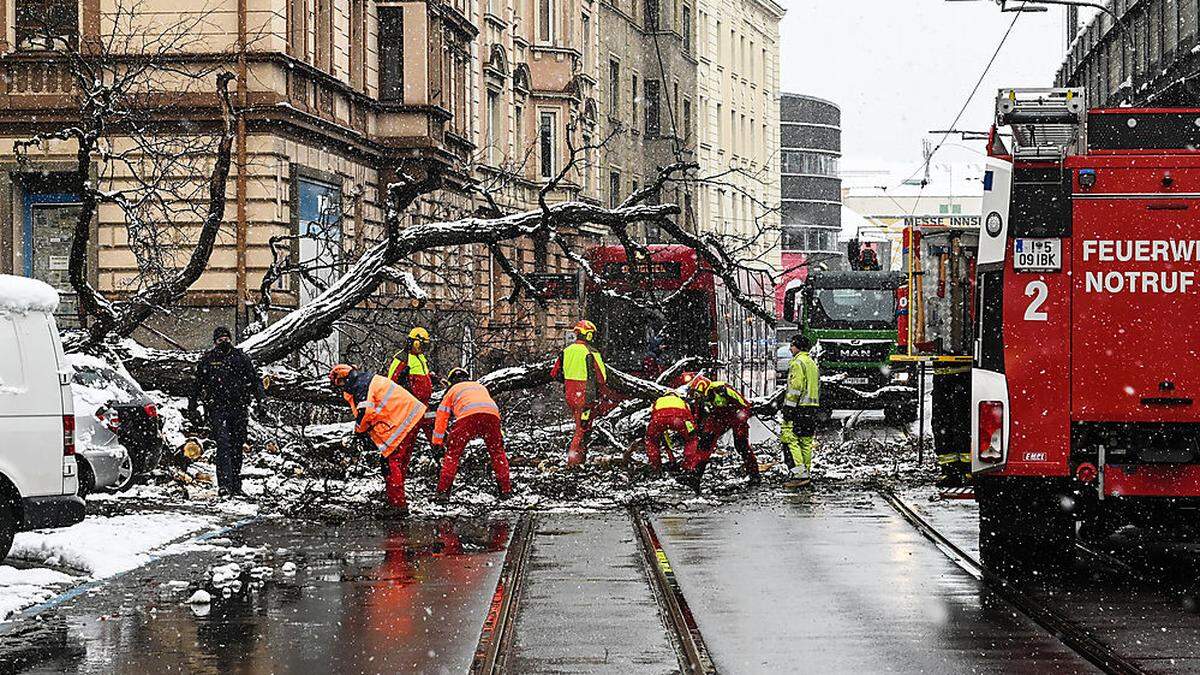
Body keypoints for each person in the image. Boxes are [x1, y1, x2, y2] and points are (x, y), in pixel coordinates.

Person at [330, 363, 426, 516]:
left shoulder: (360, 386)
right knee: (399, 463)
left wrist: (359, 431)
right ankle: (396, 498)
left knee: (390, 462)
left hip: (401, 419)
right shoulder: (366, 380)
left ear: (343, 379)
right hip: (411, 415)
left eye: (339, 384)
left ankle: (397, 504)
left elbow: (366, 412)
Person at [190, 326, 265, 498]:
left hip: (238, 408)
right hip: (217, 408)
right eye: (220, 339)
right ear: (215, 342)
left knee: (237, 446)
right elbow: (196, 385)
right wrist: (192, 407)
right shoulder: (208, 360)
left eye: (226, 338)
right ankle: (224, 485)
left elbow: (255, 380)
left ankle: (236, 485)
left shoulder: (240, 357)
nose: (224, 341)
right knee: (223, 445)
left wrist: (262, 400)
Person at [430, 368, 512, 502]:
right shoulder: (479, 387)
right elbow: (491, 407)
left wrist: (437, 442)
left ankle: (442, 493)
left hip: (467, 418)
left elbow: (441, 417)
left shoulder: (451, 391)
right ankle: (505, 491)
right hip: (492, 417)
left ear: (451, 381)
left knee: (452, 455)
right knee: (497, 453)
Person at [550, 320, 608, 466]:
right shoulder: (591, 352)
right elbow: (602, 378)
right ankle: (573, 460)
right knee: (581, 429)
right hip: (586, 397)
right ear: (588, 335)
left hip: (570, 395)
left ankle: (581, 459)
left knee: (583, 426)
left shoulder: (566, 351)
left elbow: (554, 373)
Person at [687, 375, 761, 487]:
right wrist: (699, 430)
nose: (699, 397)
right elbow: (698, 414)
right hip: (718, 415)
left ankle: (754, 475)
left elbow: (744, 404)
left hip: (736, 413)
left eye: (699, 394)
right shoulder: (700, 399)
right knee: (705, 442)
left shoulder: (723, 389)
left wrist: (742, 420)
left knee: (741, 445)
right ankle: (695, 476)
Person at [781, 333, 821, 488]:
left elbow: (795, 387)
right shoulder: (811, 363)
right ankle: (806, 473)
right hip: (811, 409)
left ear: (798, 346)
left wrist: (788, 407)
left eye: (792, 345)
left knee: (790, 438)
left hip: (798, 408)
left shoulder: (797, 363)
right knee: (806, 441)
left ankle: (798, 475)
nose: (790, 348)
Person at [388, 327, 435, 442]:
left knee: (433, 431)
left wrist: (435, 379)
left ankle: (440, 454)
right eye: (422, 345)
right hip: (411, 405)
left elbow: (424, 375)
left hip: (424, 404)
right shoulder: (402, 358)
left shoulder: (420, 358)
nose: (423, 349)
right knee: (407, 437)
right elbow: (391, 381)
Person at [645, 392, 698, 478]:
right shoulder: (681, 401)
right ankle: (688, 466)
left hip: (659, 419)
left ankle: (656, 467)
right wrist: (692, 431)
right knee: (692, 440)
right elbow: (689, 416)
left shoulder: (658, 401)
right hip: (680, 418)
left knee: (651, 440)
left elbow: (652, 415)